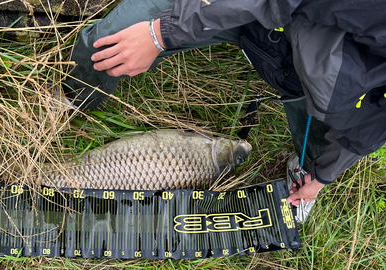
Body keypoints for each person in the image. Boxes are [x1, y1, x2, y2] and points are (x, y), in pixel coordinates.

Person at [61, 0, 386, 222]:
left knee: (326, 143)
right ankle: (74, 102)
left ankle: (305, 167)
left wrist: (322, 174)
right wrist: (160, 34)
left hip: (308, 68)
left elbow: (372, 128)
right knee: (102, 46)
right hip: (238, 9)